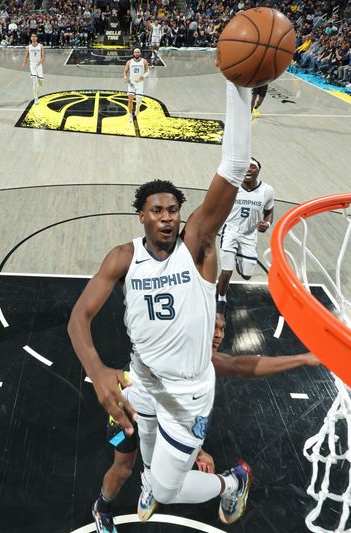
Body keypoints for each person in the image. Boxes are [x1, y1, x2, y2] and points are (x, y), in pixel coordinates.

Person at [68, 79, 254, 528]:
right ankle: (147, 482)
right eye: (157, 209)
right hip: (145, 380)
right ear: (142, 215)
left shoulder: (196, 246)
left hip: (187, 392)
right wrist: (96, 373)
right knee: (146, 462)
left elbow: (234, 165)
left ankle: (233, 482)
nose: (167, 216)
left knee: (168, 489)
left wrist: (238, 87)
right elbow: (79, 318)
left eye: (173, 209)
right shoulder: (124, 256)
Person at [92, 312, 321, 533]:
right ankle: (103, 507)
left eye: (222, 328)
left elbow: (237, 365)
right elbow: (238, 366)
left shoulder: (199, 357)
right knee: (122, 469)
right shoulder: (177, 343)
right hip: (126, 405)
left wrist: (302, 358)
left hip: (160, 410)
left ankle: (226, 482)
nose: (219, 335)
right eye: (213, 327)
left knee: (163, 470)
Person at [217, 158, 274, 306]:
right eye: (245, 167)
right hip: (230, 231)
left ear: (258, 171)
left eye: (253, 167)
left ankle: (238, 258)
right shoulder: (231, 187)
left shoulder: (267, 190)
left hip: (249, 235)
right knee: (226, 271)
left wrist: (267, 223)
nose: (248, 169)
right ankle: (221, 299)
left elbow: (269, 211)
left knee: (247, 276)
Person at [123, 48, 151, 123]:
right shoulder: (129, 62)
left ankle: (137, 107)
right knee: (130, 99)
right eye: (135, 52)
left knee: (139, 99)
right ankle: (130, 116)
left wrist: (144, 76)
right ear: (133, 53)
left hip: (140, 83)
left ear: (140, 53)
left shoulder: (144, 61)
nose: (137, 53)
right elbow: (125, 71)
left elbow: (148, 72)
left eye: (138, 52)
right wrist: (125, 76)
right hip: (131, 83)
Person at [21, 33, 44, 105]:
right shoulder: (28, 47)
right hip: (32, 65)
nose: (33, 37)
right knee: (35, 80)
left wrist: (41, 60)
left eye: (34, 36)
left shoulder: (41, 46)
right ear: (31, 38)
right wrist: (24, 63)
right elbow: (26, 56)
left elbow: (43, 56)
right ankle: (36, 98)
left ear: (36, 38)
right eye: (32, 36)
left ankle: (36, 94)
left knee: (41, 84)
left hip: (39, 65)